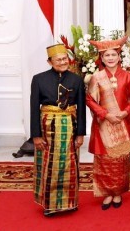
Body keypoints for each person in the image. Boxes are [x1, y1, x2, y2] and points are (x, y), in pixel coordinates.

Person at [30, 44, 86, 217]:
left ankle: (70, 202)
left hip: (70, 126)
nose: (63, 62)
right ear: (49, 61)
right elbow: (33, 108)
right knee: (49, 165)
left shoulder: (76, 79)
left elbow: (81, 108)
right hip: (46, 127)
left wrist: (81, 134)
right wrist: (36, 135)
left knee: (70, 164)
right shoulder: (38, 79)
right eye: (58, 59)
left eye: (65, 59)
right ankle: (50, 204)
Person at [86, 36, 130, 210]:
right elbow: (90, 100)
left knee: (120, 160)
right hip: (104, 124)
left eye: (113, 55)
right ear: (102, 58)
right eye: (106, 55)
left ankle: (118, 193)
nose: (110, 58)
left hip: (123, 123)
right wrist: (105, 114)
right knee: (105, 160)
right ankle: (107, 193)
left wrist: (126, 112)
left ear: (119, 56)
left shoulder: (128, 77)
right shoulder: (96, 77)